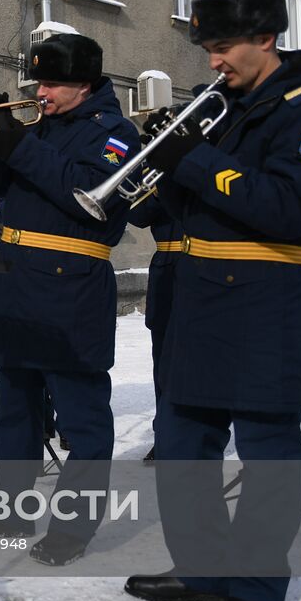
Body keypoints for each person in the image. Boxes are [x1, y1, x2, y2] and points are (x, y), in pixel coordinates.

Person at [125, 0, 301, 601]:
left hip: (265, 301)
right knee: (183, 442)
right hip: (197, 298)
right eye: (208, 47)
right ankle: (202, 565)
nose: (213, 60)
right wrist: (155, 179)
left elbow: (286, 208)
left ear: (266, 37)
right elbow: (197, 196)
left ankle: (256, 586)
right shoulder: (221, 105)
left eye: (224, 46)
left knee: (267, 449)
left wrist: (191, 161)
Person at [0, 32, 140, 567]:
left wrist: (17, 141)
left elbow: (82, 194)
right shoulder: (40, 126)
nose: (41, 92)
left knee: (82, 417)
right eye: (38, 82)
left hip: (70, 283)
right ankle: (11, 509)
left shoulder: (114, 134)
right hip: (15, 278)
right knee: (13, 409)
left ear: (84, 85)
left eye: (52, 83)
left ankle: (73, 527)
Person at [127, 193, 183, 464]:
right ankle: (164, 436)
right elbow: (137, 216)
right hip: (166, 268)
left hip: (208, 265)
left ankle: (198, 437)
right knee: (162, 366)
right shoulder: (158, 169)